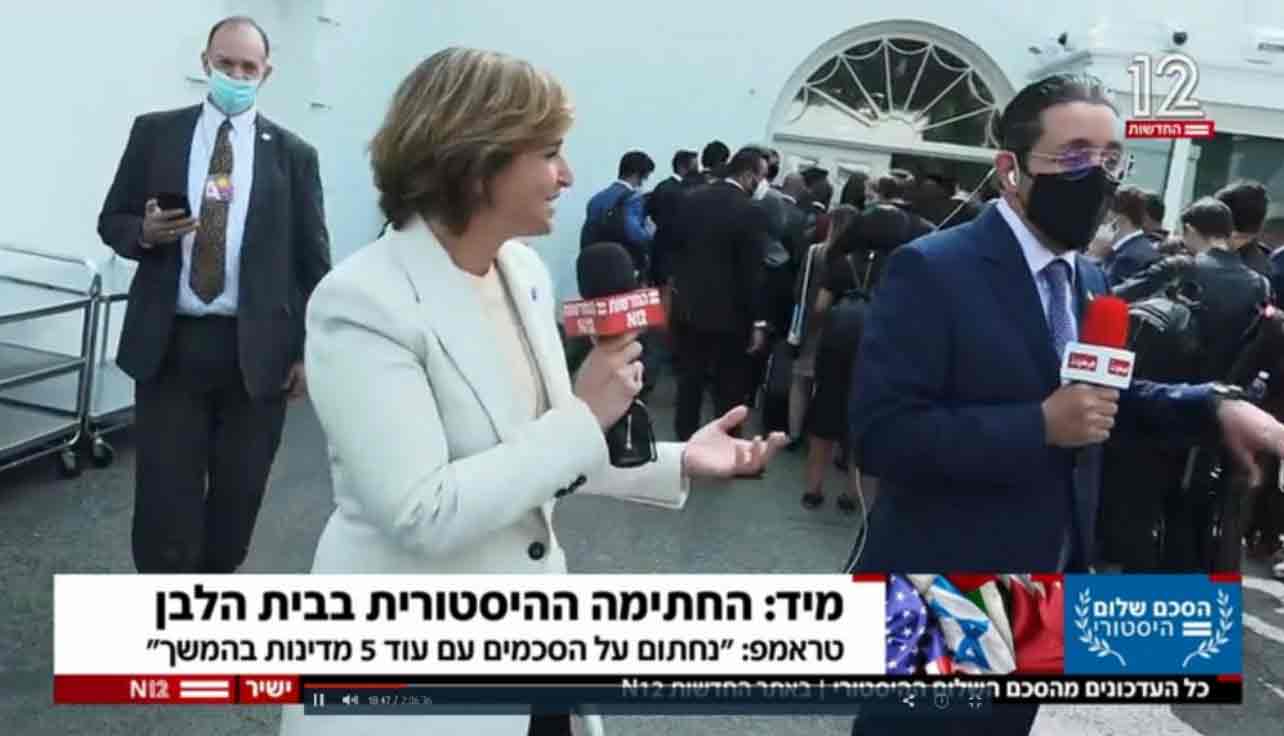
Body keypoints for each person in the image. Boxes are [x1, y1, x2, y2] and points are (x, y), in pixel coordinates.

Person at [278, 48, 787, 736]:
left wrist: (675, 460)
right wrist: (586, 413)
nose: (567, 175)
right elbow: (423, 511)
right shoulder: (363, 301)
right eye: (549, 153)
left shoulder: (522, 271)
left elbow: (537, 452)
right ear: (475, 160)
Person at [847, 73, 1284, 736]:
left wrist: (1212, 406)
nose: (1098, 176)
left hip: (1043, 587)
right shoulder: (932, 269)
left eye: (1111, 158)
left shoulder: (1086, 275)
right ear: (1011, 170)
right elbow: (882, 435)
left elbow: (1101, 398)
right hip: (944, 586)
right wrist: (1039, 425)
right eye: (1075, 156)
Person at [97, 16, 330, 574]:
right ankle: (162, 609)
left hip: (257, 355)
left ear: (266, 73)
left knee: (236, 502)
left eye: (249, 67)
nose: (236, 76)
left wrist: (308, 350)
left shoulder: (293, 155)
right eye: (226, 64)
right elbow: (112, 219)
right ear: (205, 63)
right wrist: (143, 232)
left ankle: (214, 596)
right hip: (171, 347)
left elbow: (313, 262)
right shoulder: (156, 134)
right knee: (165, 507)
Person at [1099, 185, 1160, 285]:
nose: (1100, 223)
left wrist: (1095, 255)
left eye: (1105, 215)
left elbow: (1101, 291)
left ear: (1120, 218)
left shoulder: (1128, 258)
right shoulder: (1136, 247)